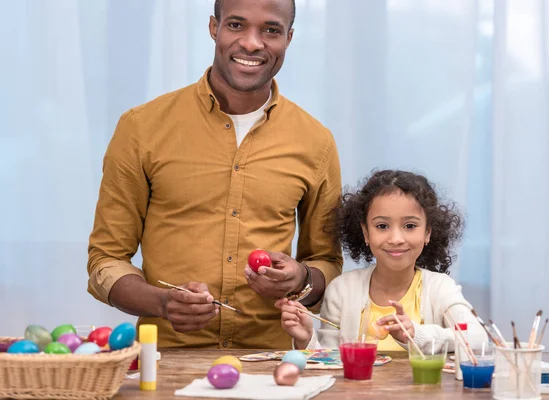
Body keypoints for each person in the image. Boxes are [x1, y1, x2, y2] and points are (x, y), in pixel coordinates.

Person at [87, 0, 342, 349]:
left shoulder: (316, 142)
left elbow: (327, 263)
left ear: (289, 38)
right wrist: (161, 302)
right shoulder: (141, 128)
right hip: (167, 362)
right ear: (214, 28)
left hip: (273, 366)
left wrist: (300, 279)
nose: (252, 43)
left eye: (271, 30)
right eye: (236, 25)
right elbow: (106, 259)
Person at [278, 170, 487, 351]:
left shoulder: (440, 288)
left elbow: (478, 340)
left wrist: (416, 333)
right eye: (382, 226)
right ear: (365, 233)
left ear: (428, 233)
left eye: (410, 226)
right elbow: (330, 360)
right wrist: (306, 339)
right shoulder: (342, 289)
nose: (396, 239)